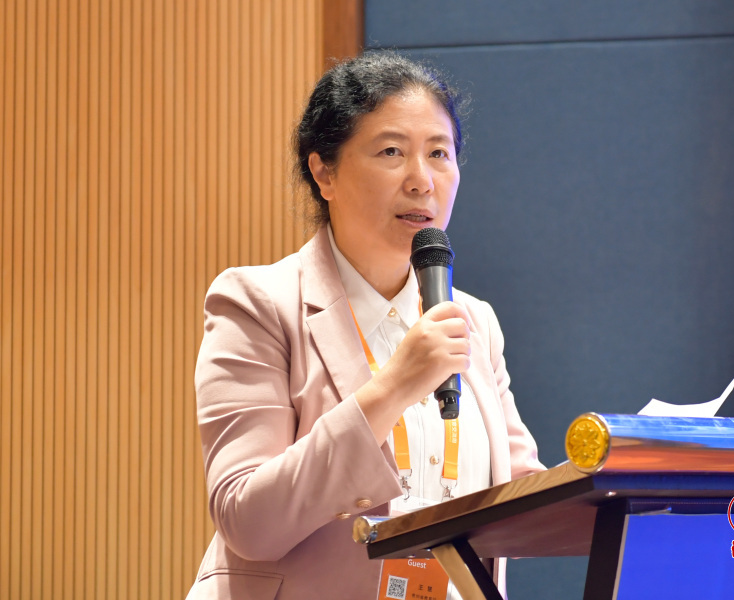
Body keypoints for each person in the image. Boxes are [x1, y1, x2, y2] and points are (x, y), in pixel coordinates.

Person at [186, 52, 544, 600]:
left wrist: (624, 472)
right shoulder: (257, 303)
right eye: (391, 151)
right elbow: (247, 521)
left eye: (439, 153)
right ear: (324, 172)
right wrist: (394, 386)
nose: (422, 180)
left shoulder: (475, 319)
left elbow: (526, 501)